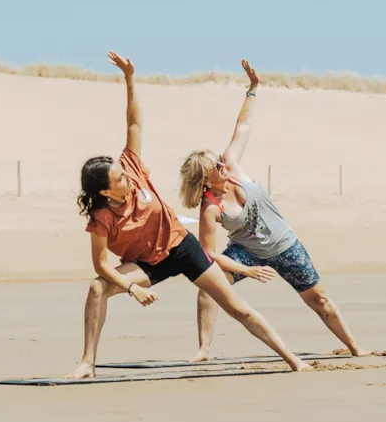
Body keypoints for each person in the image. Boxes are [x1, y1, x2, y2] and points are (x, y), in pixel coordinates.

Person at [76, 53, 310, 378]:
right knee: (97, 288)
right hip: (147, 264)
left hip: (183, 247)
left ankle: (293, 360)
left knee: (236, 307)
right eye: (119, 179)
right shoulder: (101, 219)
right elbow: (101, 265)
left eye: (125, 173)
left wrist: (130, 77)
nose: (127, 177)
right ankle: (88, 363)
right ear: (105, 192)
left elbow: (134, 122)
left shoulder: (131, 167)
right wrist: (133, 289)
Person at [179, 60, 366, 362]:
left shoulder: (233, 166)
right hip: (247, 251)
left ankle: (356, 348)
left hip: (285, 244)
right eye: (214, 166)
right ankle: (204, 350)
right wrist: (244, 270)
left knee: (319, 299)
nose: (222, 165)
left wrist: (253, 89)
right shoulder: (209, 208)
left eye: (219, 161)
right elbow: (209, 253)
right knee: (209, 284)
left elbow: (243, 127)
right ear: (204, 179)